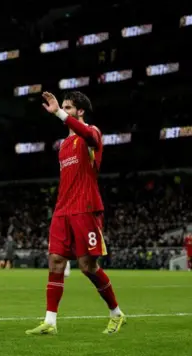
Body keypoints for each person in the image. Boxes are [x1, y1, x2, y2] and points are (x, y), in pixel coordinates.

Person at [26, 91, 126, 336]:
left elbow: (89, 134)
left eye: (69, 107)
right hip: (63, 210)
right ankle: (50, 321)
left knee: (87, 266)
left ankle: (116, 313)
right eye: (64, 107)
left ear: (80, 111)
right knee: (56, 261)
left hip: (86, 208)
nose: (64, 110)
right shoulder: (63, 146)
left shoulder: (92, 133)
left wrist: (58, 113)